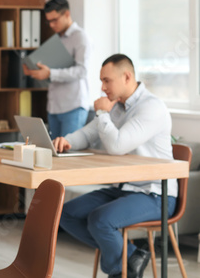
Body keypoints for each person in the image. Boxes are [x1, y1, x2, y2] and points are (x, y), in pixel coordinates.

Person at [54, 54, 177, 278]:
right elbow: (88, 134)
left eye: (106, 81)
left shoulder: (151, 107)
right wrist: (67, 140)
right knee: (65, 213)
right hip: (126, 188)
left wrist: (102, 113)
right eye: (101, 81)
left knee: (100, 220)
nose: (102, 87)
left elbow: (117, 146)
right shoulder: (118, 107)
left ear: (127, 77)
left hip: (157, 194)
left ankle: (121, 271)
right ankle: (130, 257)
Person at [23, 0, 91, 138]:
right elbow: (53, 69)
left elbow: (82, 70)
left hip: (73, 106)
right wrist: (34, 71)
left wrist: (50, 73)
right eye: (49, 21)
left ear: (67, 14)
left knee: (68, 153)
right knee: (53, 154)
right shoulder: (58, 39)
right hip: (54, 106)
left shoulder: (80, 37)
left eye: (55, 20)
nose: (52, 25)